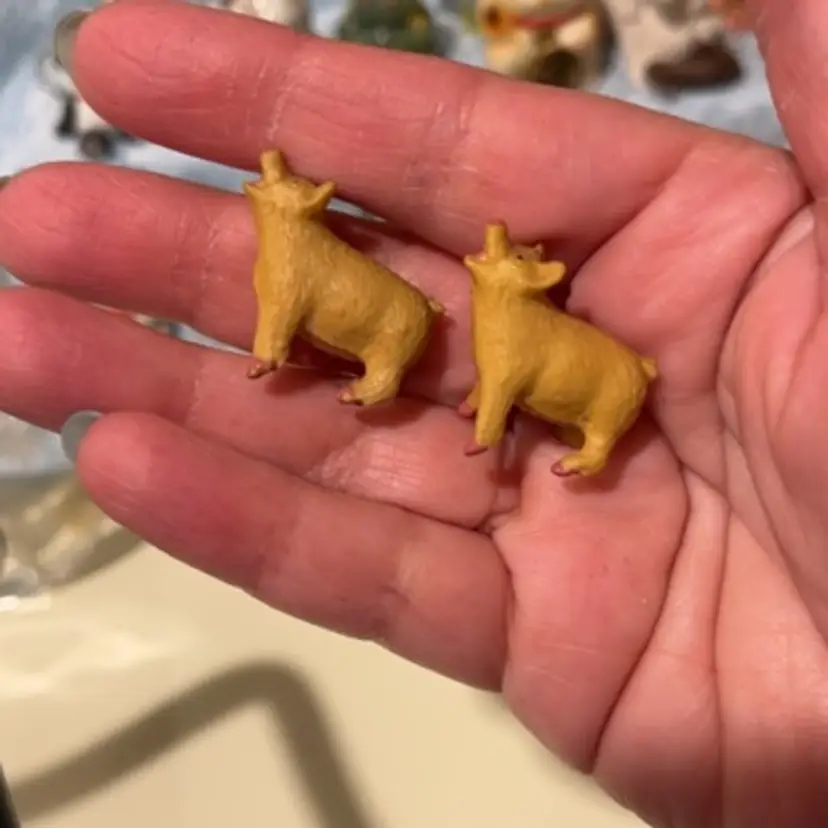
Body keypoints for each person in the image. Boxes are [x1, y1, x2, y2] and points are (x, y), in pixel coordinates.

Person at [0, 1, 825, 826]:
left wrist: (491, 417)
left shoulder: (493, 316)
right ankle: (419, 379)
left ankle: (562, 422)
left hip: (522, 370)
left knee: (505, 374)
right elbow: (298, 310)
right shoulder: (310, 259)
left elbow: (487, 368)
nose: (489, 266)